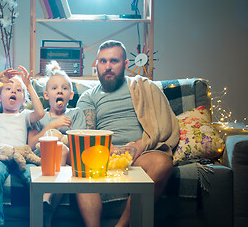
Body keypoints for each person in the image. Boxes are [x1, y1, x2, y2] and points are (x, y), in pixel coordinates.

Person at [76, 40, 180, 227]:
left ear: (125, 64)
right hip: (103, 155)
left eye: (114, 61)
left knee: (163, 163)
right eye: (103, 61)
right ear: (97, 64)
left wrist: (138, 146)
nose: (108, 67)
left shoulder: (143, 87)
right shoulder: (89, 96)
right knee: (81, 168)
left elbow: (164, 124)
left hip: (140, 153)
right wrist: (107, 148)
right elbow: (86, 132)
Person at [0, 66, 45, 227]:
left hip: (21, 154)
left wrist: (29, 85)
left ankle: (39, 221)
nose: (13, 91)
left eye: (18, 90)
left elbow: (40, 113)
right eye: (8, 88)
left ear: (24, 100)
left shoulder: (24, 115)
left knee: (35, 178)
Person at [27, 61, 86, 226]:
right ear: (46, 95)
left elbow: (80, 146)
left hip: (69, 157)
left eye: (64, 88)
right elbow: (31, 144)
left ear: (71, 95)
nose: (59, 90)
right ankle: (48, 216)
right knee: (66, 172)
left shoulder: (76, 114)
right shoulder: (39, 116)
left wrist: (61, 137)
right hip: (43, 159)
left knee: (62, 150)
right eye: (54, 88)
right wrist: (52, 125)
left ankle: (46, 198)